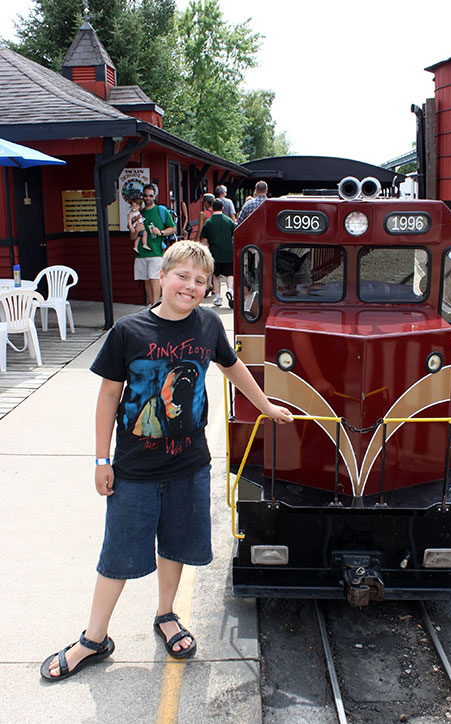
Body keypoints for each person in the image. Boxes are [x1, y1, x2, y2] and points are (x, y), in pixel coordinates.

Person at [40, 241, 293, 682]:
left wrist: (265, 405)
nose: (191, 286)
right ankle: (93, 638)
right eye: (183, 276)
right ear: (162, 276)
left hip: (189, 467)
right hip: (134, 471)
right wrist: (102, 460)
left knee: (175, 547)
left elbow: (233, 368)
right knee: (117, 555)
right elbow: (107, 399)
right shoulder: (129, 331)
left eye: (200, 280)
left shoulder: (209, 325)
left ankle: (166, 615)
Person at [135, 183, 176, 305]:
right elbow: (132, 236)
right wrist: (136, 230)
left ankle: (155, 304)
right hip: (141, 253)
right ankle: (152, 304)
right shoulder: (139, 213)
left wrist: (161, 232)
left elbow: (172, 228)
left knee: (154, 278)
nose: (147, 198)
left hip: (157, 251)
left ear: (155, 196)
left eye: (150, 195)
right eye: (145, 195)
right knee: (146, 280)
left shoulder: (161, 211)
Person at [200, 198, 236, 308]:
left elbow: (204, 241)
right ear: (223, 208)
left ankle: (218, 297)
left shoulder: (209, 222)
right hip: (228, 252)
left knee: (216, 275)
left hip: (214, 253)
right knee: (230, 274)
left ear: (212, 207)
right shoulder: (229, 221)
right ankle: (230, 290)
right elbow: (235, 236)